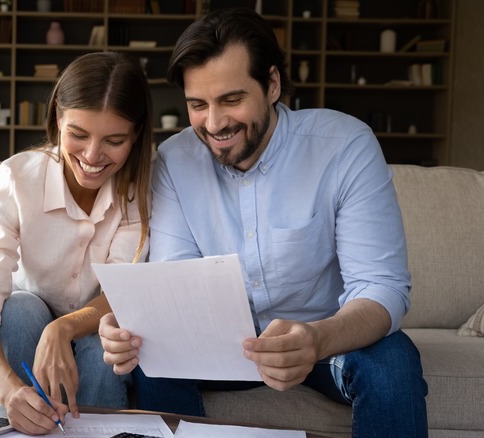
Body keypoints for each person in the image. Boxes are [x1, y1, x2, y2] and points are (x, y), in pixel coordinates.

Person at [98, 8, 428, 437]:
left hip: (327, 342)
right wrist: (133, 326)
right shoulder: (175, 162)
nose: (214, 124)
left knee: (394, 360)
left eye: (232, 100)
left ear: (272, 84)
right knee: (152, 362)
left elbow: (381, 286)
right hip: (220, 348)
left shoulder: (345, 147)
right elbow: (176, 281)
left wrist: (317, 339)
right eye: (198, 104)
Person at [0, 51, 153, 436]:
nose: (92, 157)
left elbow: (120, 290)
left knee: (102, 350)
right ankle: (22, 421)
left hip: (97, 324)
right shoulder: (17, 177)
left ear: (136, 135)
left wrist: (62, 329)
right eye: (78, 135)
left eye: (114, 141)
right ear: (58, 117)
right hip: (26, 321)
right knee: (20, 309)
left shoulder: (140, 190)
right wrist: (9, 391)